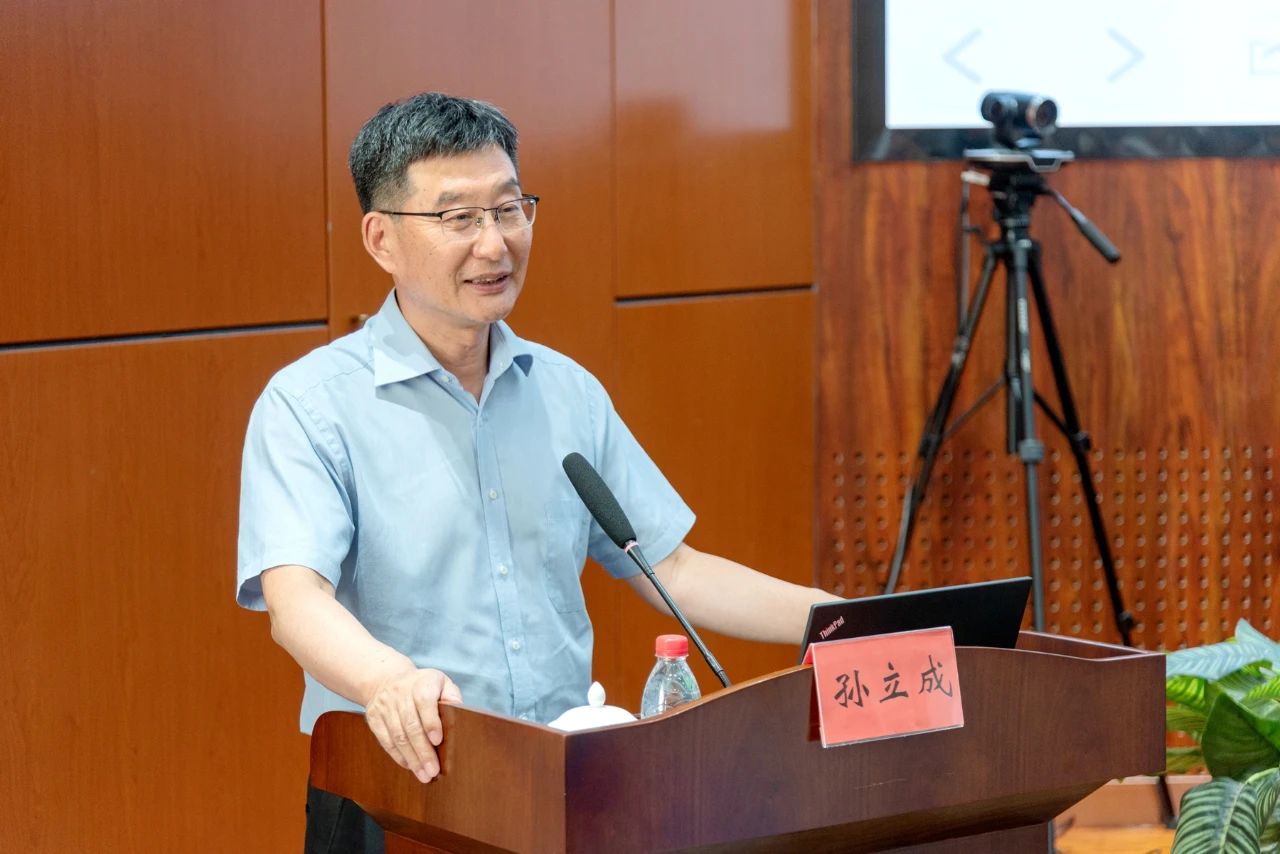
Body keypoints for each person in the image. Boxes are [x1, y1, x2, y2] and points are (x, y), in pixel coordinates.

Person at [236, 92, 834, 852]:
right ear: (381, 238)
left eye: (509, 208)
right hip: (398, 789)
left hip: (563, 784)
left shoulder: (565, 392)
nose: (494, 244)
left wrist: (838, 618)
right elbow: (296, 601)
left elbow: (674, 570)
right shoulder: (311, 404)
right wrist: (388, 681)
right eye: (458, 217)